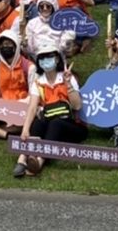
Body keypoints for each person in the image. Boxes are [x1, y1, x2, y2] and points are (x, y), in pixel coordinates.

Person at [13, 44, 85, 178]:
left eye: (49, 57)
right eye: (42, 58)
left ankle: (39, 161)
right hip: (49, 122)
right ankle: (23, 158)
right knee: (37, 123)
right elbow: (32, 107)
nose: (45, 60)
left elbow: (77, 106)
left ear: (57, 59)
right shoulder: (38, 82)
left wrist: (68, 84)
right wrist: (25, 129)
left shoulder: (67, 77)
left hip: (71, 126)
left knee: (56, 123)